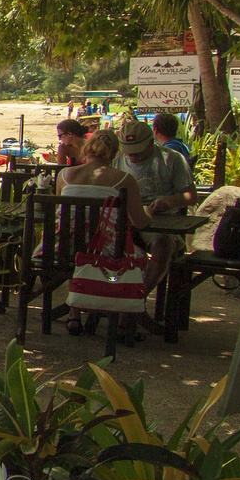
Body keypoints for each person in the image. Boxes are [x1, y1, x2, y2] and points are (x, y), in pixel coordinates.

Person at [59, 129, 152, 336]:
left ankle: (74, 313)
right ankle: (122, 317)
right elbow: (140, 222)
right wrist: (150, 211)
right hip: (104, 251)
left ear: (87, 149)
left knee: (77, 249)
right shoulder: (124, 180)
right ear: (115, 154)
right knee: (138, 257)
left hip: (61, 248)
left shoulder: (63, 176)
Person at [113, 118, 196, 302]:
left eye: (138, 150)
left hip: (160, 223)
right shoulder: (117, 161)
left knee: (163, 245)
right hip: (123, 222)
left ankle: (137, 300)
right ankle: (104, 300)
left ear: (151, 141)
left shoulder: (171, 159)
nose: (133, 156)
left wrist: (169, 201)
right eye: (129, 151)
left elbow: (191, 196)